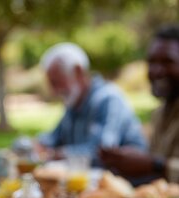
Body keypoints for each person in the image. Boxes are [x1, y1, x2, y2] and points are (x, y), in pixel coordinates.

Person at [36, 42, 147, 167]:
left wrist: (58, 153)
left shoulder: (108, 99)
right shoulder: (74, 102)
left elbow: (102, 152)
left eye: (56, 82)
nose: (54, 91)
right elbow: (51, 139)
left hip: (125, 179)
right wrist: (35, 146)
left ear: (78, 72)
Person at [100, 25, 179, 184]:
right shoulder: (161, 113)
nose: (156, 71)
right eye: (152, 62)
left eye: (167, 62)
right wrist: (126, 161)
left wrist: (154, 165)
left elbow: (156, 166)